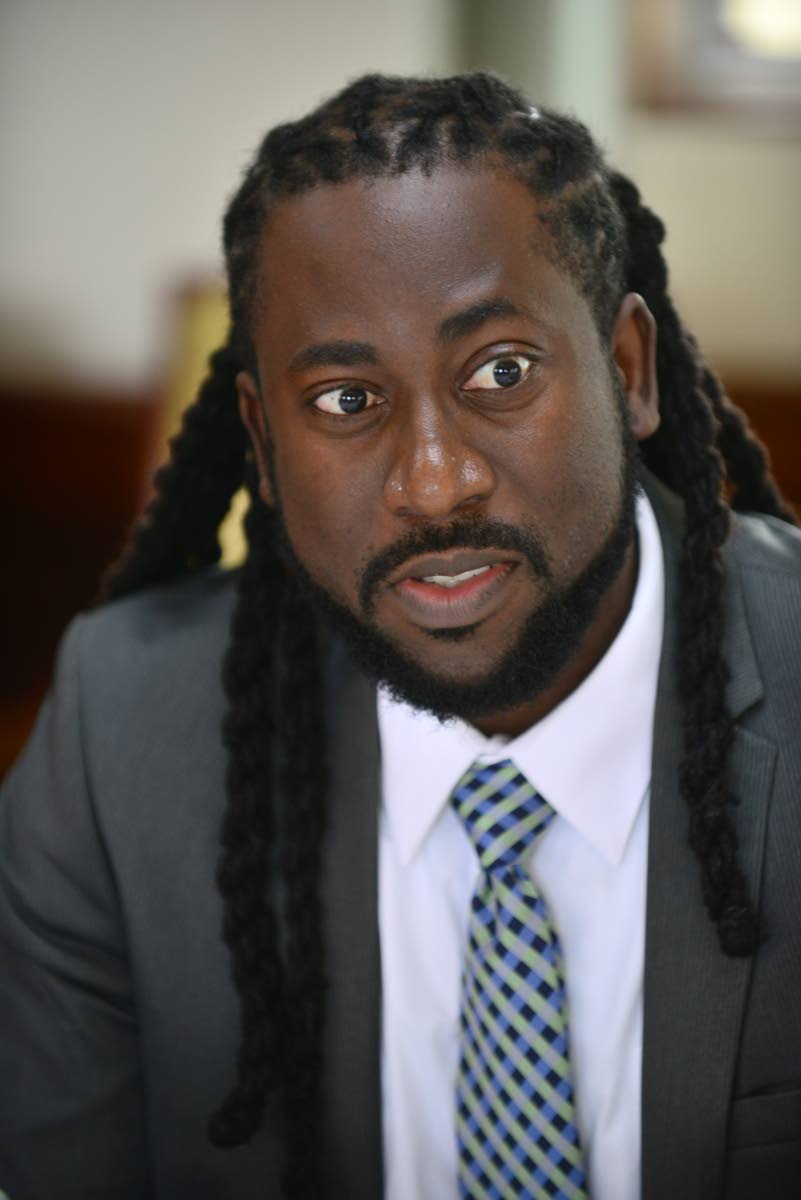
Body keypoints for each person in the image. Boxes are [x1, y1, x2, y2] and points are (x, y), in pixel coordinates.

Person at [1, 72, 799, 1200]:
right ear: (262, 447)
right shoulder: (117, 742)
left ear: (629, 371)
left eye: (501, 372)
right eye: (345, 399)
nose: (434, 482)